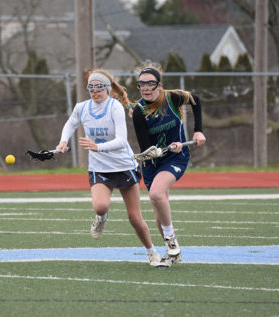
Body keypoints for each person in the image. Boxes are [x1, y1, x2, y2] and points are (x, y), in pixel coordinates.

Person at [56, 69, 161, 267]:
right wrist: (62, 142)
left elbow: (121, 141)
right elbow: (70, 124)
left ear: (106, 89)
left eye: (98, 88)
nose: (94, 92)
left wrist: (97, 147)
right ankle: (101, 218)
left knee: (134, 218)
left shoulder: (115, 107)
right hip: (99, 167)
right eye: (91, 88)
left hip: (123, 165)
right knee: (100, 206)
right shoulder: (82, 107)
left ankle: (151, 251)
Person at [131, 61, 206, 267]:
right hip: (152, 162)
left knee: (156, 194)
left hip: (175, 158)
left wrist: (197, 131)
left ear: (159, 85)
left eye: (150, 84)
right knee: (158, 208)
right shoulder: (138, 111)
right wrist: (158, 149)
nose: (145, 88)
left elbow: (196, 100)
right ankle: (172, 252)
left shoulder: (173, 97)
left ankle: (172, 243)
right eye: (141, 84)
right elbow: (146, 146)